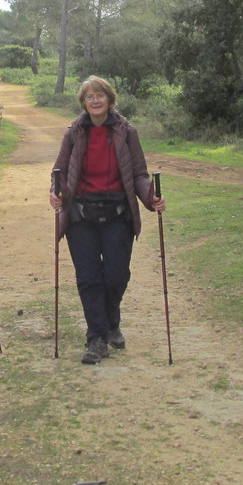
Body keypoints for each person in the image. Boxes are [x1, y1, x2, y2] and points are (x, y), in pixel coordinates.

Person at [49, 76, 165, 365]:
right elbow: (60, 171)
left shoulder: (127, 132)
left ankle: (111, 321)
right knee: (89, 279)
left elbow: (139, 173)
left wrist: (150, 198)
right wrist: (57, 192)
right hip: (81, 215)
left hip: (118, 214)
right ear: (83, 102)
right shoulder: (74, 132)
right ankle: (97, 338)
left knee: (116, 275)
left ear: (110, 99)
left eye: (100, 95)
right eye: (90, 96)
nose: (96, 100)